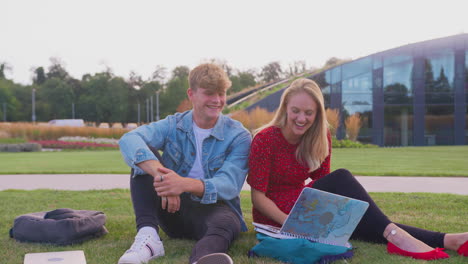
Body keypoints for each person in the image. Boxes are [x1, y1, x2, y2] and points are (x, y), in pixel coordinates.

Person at [247, 78, 468, 260]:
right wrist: (290, 223)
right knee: (343, 178)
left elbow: (325, 187)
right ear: (285, 107)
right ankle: (398, 237)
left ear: (317, 114)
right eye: (295, 111)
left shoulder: (319, 136)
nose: (301, 118)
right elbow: (258, 197)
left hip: (305, 207)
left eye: (309, 113)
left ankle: (449, 240)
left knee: (364, 220)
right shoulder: (266, 139)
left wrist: (330, 215)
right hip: (275, 217)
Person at [118, 63, 252, 264]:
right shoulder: (174, 124)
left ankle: (202, 260)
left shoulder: (239, 136)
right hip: (173, 209)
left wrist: (182, 184)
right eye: (209, 93)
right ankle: (148, 240)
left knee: (226, 223)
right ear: (192, 94)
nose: (217, 100)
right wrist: (162, 177)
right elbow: (129, 140)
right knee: (145, 155)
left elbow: (229, 184)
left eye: (221, 93)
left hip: (215, 211)